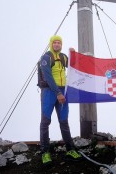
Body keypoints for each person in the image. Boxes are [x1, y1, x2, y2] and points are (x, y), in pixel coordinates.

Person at [38, 35, 82, 164]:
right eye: (55, 42)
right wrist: (57, 92)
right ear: (51, 44)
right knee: (45, 122)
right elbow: (48, 77)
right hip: (49, 92)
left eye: (59, 43)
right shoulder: (46, 58)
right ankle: (45, 152)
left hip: (63, 91)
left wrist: (74, 55)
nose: (57, 44)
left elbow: (75, 66)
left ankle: (70, 149)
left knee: (64, 121)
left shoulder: (63, 57)